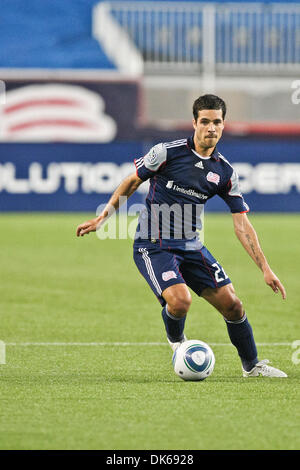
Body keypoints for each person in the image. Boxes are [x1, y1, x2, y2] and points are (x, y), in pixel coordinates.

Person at [76, 94, 287, 378]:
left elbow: (242, 225)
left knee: (233, 305)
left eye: (217, 122)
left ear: (223, 125)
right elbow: (131, 181)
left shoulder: (224, 172)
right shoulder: (166, 152)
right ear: (194, 123)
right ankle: (178, 343)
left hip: (191, 245)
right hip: (153, 245)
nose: (211, 128)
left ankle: (252, 366)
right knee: (180, 300)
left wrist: (265, 268)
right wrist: (104, 217)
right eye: (205, 122)